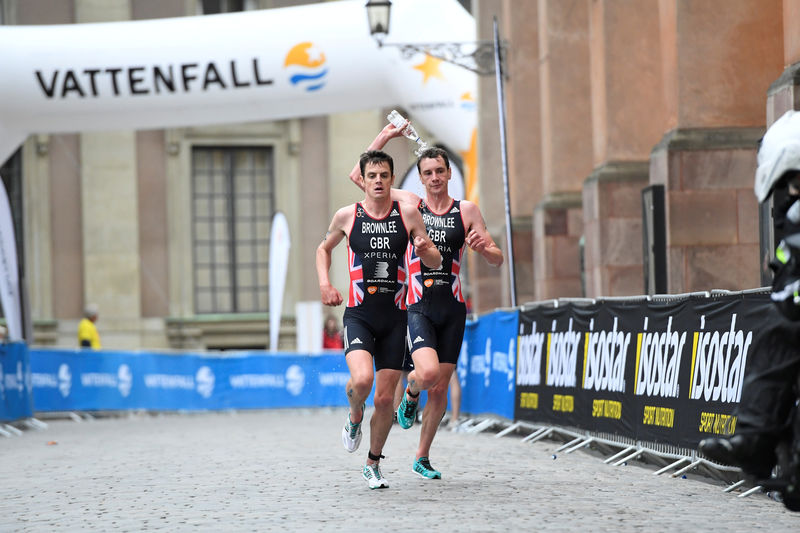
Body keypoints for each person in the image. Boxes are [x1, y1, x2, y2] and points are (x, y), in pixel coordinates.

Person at [348, 123, 503, 479]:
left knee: (441, 389)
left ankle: (421, 456)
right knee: (428, 374)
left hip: (452, 306)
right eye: (427, 173)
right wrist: (386, 136)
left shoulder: (467, 211)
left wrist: (486, 249)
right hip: (416, 306)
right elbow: (360, 175)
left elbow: (496, 256)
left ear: (450, 174)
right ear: (419, 179)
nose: (434, 178)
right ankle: (411, 395)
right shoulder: (408, 206)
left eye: (440, 172)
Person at [316, 149, 441, 489]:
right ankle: (355, 414)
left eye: (384, 176)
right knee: (361, 382)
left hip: (395, 318)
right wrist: (325, 284)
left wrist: (425, 248)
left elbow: (433, 258)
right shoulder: (347, 216)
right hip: (359, 314)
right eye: (372, 176)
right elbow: (323, 249)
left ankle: (373, 463)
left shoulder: (408, 214)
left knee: (385, 399)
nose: (378, 181)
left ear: (391, 179)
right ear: (365, 180)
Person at [698, 110, 800, 482]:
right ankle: (758, 440)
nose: (792, 191)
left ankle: (755, 439)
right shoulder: (792, 217)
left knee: (779, 333)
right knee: (778, 329)